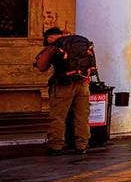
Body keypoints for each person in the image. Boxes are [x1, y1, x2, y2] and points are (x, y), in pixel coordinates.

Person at [34, 26, 94, 155]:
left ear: (49, 37)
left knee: (58, 116)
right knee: (82, 117)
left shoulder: (54, 46)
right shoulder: (80, 43)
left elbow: (42, 67)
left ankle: (55, 146)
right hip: (83, 83)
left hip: (63, 86)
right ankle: (82, 145)